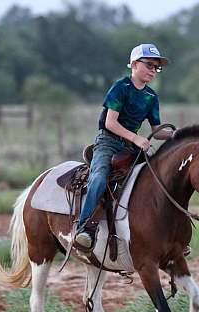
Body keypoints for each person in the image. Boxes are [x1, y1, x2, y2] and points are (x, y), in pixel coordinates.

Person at [75, 43, 171, 250]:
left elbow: (157, 130)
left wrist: (177, 135)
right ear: (134, 64)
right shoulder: (121, 87)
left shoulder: (151, 96)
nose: (154, 70)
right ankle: (84, 228)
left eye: (157, 67)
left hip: (130, 147)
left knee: (157, 179)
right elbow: (110, 122)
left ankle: (162, 232)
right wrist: (136, 139)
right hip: (107, 142)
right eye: (150, 65)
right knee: (99, 177)